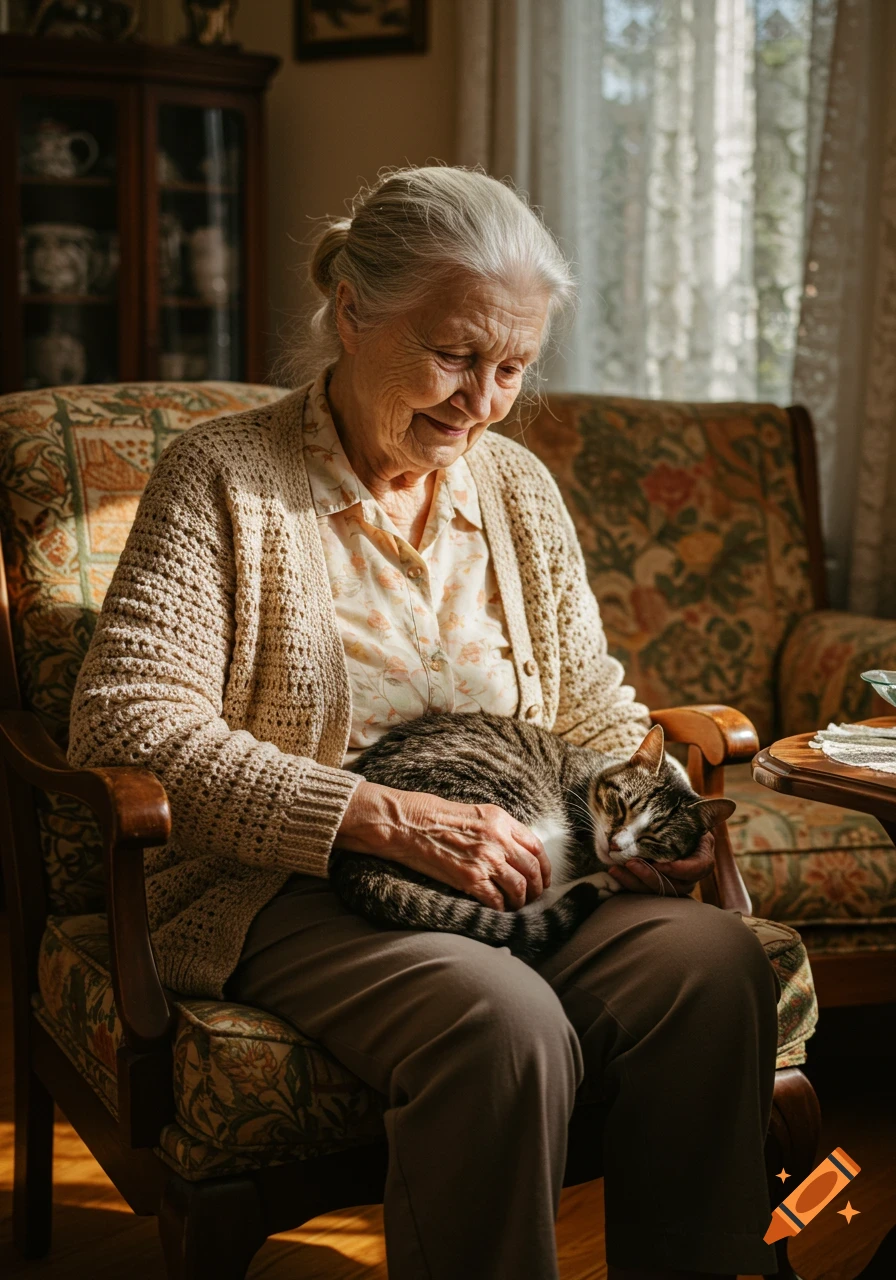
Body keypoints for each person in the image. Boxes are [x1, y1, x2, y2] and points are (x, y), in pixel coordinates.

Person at [68, 165, 781, 1280]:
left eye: (510, 368)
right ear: (352, 312)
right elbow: (126, 724)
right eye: (454, 354)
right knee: (499, 1022)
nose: (480, 400)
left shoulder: (516, 489)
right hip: (287, 883)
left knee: (712, 964)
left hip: (524, 864)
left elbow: (588, 704)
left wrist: (649, 824)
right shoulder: (222, 478)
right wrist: (374, 814)